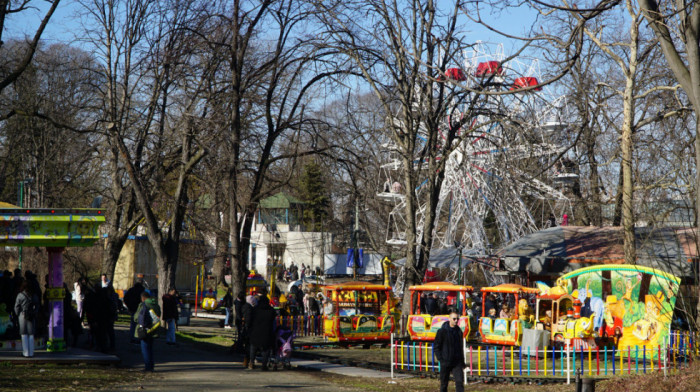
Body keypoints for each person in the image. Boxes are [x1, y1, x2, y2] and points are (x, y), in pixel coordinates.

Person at [434, 310, 465, 392]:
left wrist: (462, 361)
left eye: (457, 319)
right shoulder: (442, 331)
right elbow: (436, 347)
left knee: (459, 382)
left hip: (457, 362)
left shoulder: (459, 331)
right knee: (444, 384)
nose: (456, 321)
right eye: (454, 319)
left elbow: (460, 347)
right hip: (446, 361)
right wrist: (441, 359)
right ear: (449, 319)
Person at [135, 291, 161, 372]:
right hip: (153, 328)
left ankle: (147, 367)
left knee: (145, 349)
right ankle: (151, 366)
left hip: (144, 329)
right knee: (150, 348)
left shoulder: (143, 305)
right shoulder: (156, 305)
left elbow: (136, 317)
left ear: (143, 298)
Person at [248, 295, 276, 371]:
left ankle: (251, 362)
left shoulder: (255, 310)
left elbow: (250, 320)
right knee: (266, 349)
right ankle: (264, 364)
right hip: (267, 332)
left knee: (253, 347)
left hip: (255, 332)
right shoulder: (271, 311)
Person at [14, 280, 39, 357]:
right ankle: (31, 352)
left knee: (23, 334)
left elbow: (17, 306)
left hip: (22, 315)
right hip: (31, 315)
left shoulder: (20, 295)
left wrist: (17, 314)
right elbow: (37, 305)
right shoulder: (34, 295)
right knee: (31, 334)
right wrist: (35, 312)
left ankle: (25, 352)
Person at [240, 295, 257, 367]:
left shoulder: (244, 307)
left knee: (247, 345)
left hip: (246, 329)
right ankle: (249, 361)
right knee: (250, 346)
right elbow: (249, 319)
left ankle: (246, 361)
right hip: (249, 329)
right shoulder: (250, 309)